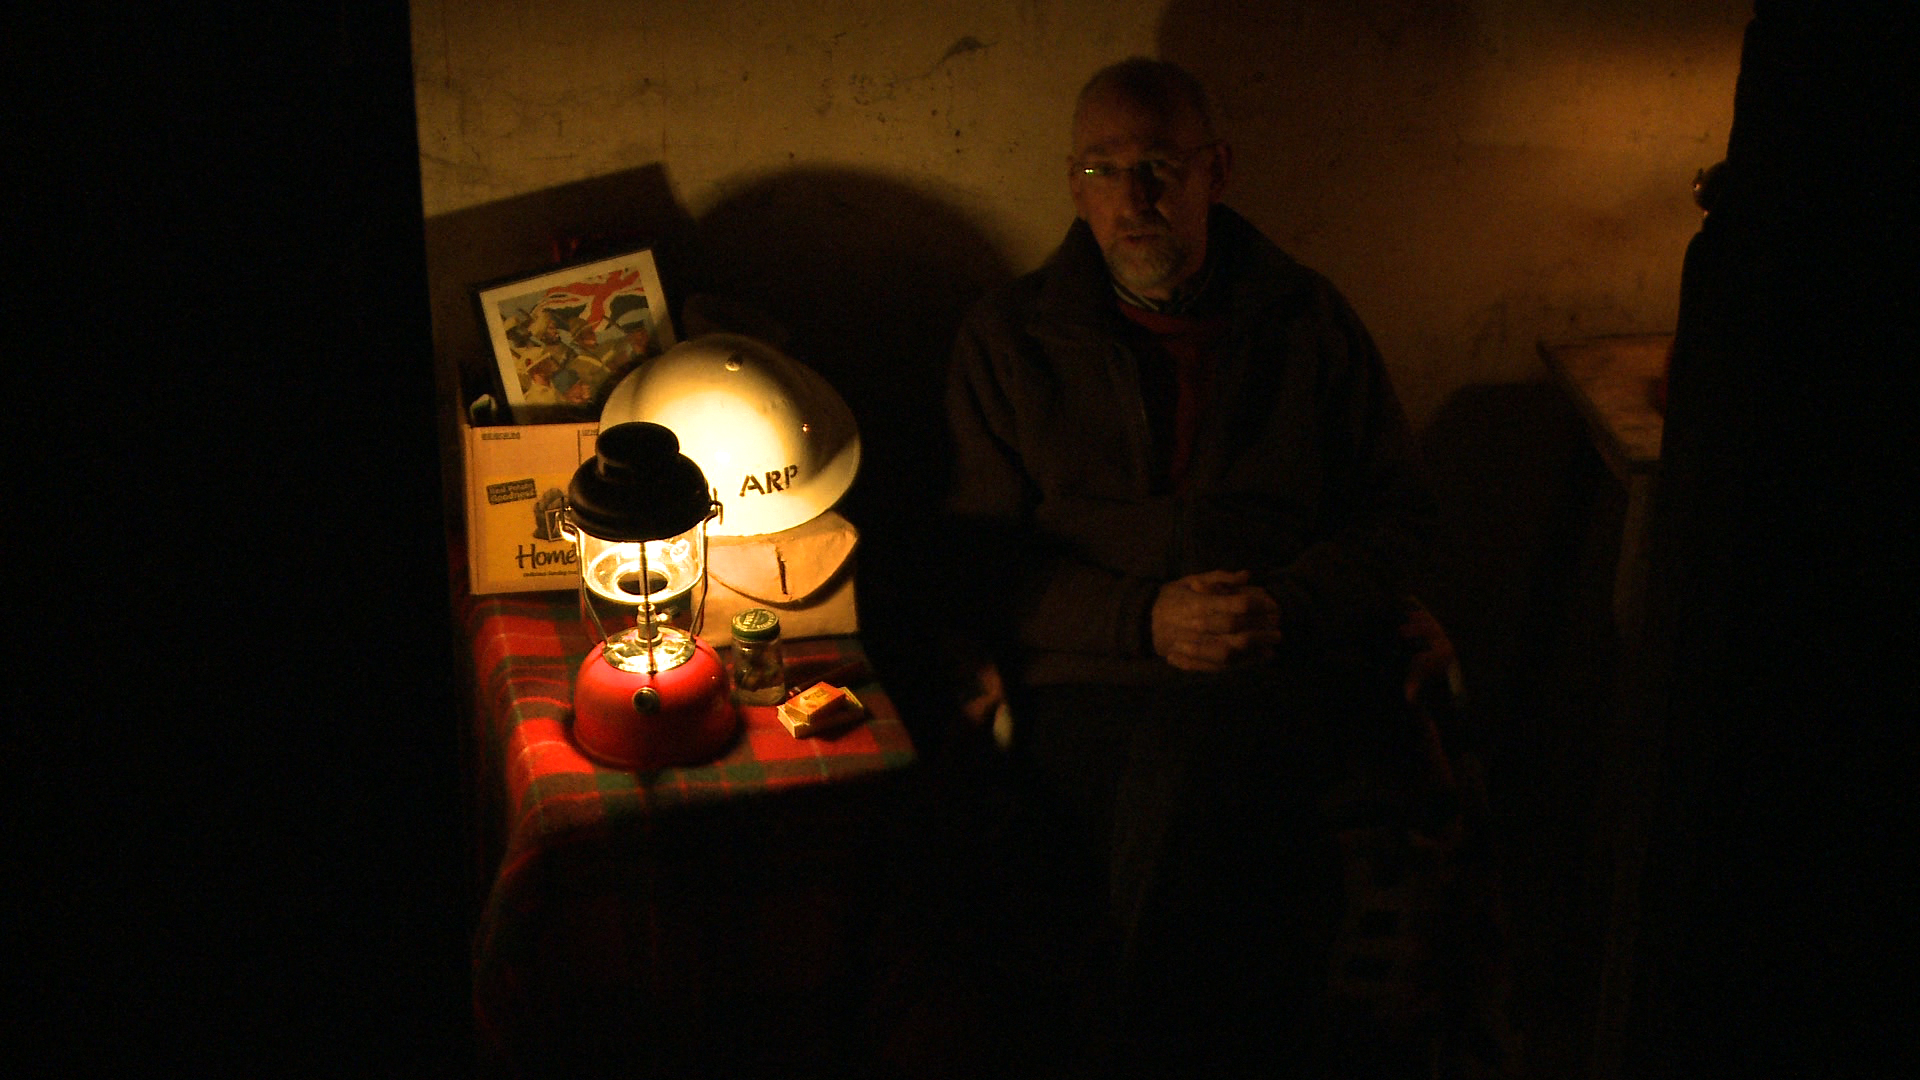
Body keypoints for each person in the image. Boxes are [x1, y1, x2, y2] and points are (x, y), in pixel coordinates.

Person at [942, 57, 1440, 1078]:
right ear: (1073, 184)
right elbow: (982, 560)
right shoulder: (1010, 340)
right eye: (1106, 168)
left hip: (1281, 657)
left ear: (1217, 169)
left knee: (1215, 758)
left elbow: (1398, 521)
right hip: (1094, 679)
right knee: (1202, 800)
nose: (1136, 199)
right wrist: (1145, 620)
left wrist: (1284, 603)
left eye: (1161, 165)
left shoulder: (1306, 324)